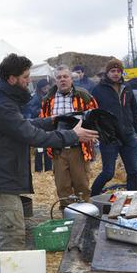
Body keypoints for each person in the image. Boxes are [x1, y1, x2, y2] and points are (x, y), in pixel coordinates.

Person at [0, 54, 98, 252]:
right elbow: (31, 136)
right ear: (12, 79)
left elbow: (21, 125)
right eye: (26, 76)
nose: (29, 80)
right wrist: (72, 135)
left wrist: (51, 120)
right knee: (12, 233)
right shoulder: (2, 104)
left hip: (2, 174)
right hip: (1, 178)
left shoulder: (4, 99)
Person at [39, 65, 98, 206]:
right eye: (59, 77)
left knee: (81, 185)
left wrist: (93, 134)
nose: (62, 80)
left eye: (65, 77)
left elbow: (95, 116)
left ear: (72, 79)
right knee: (62, 187)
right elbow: (43, 120)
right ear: (55, 81)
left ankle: (85, 217)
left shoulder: (83, 96)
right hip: (58, 148)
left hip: (78, 147)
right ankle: (67, 216)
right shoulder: (48, 100)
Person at [90, 59, 137, 195]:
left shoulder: (127, 88)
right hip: (109, 137)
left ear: (122, 72)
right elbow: (92, 113)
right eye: (112, 71)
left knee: (133, 171)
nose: (115, 74)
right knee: (108, 173)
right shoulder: (98, 90)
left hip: (127, 135)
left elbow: (134, 110)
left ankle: (133, 200)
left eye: (118, 71)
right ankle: (92, 196)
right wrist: (96, 132)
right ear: (107, 73)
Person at [23, 79, 53, 173]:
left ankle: (48, 168)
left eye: (48, 87)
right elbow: (30, 110)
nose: (47, 88)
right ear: (41, 88)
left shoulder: (48, 96)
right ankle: (38, 169)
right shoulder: (35, 98)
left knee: (48, 146)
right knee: (40, 148)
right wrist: (39, 111)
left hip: (46, 124)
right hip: (39, 125)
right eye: (45, 87)